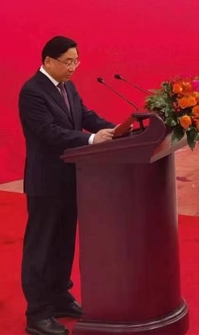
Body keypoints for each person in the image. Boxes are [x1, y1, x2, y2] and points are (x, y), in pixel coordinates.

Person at [19, 36, 117, 335]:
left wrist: (115, 130)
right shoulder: (32, 91)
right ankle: (37, 312)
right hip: (46, 182)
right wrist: (91, 139)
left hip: (71, 177)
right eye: (68, 61)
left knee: (63, 242)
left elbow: (85, 116)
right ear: (48, 61)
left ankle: (59, 296)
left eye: (76, 61)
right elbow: (47, 132)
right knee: (41, 247)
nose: (73, 67)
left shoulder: (67, 87)